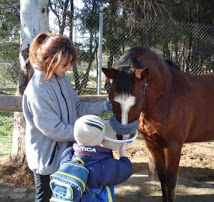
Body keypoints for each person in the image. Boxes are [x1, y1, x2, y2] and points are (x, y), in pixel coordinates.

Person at [22, 33, 112, 202]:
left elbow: (76, 108)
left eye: (70, 63)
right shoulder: (37, 90)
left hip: (65, 155)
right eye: (65, 64)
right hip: (48, 162)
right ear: (50, 60)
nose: (69, 68)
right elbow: (53, 129)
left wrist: (104, 107)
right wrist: (89, 135)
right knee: (45, 198)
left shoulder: (61, 78)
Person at [55, 114, 133, 202]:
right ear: (102, 138)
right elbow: (127, 170)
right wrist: (122, 153)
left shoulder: (68, 154)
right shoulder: (103, 165)